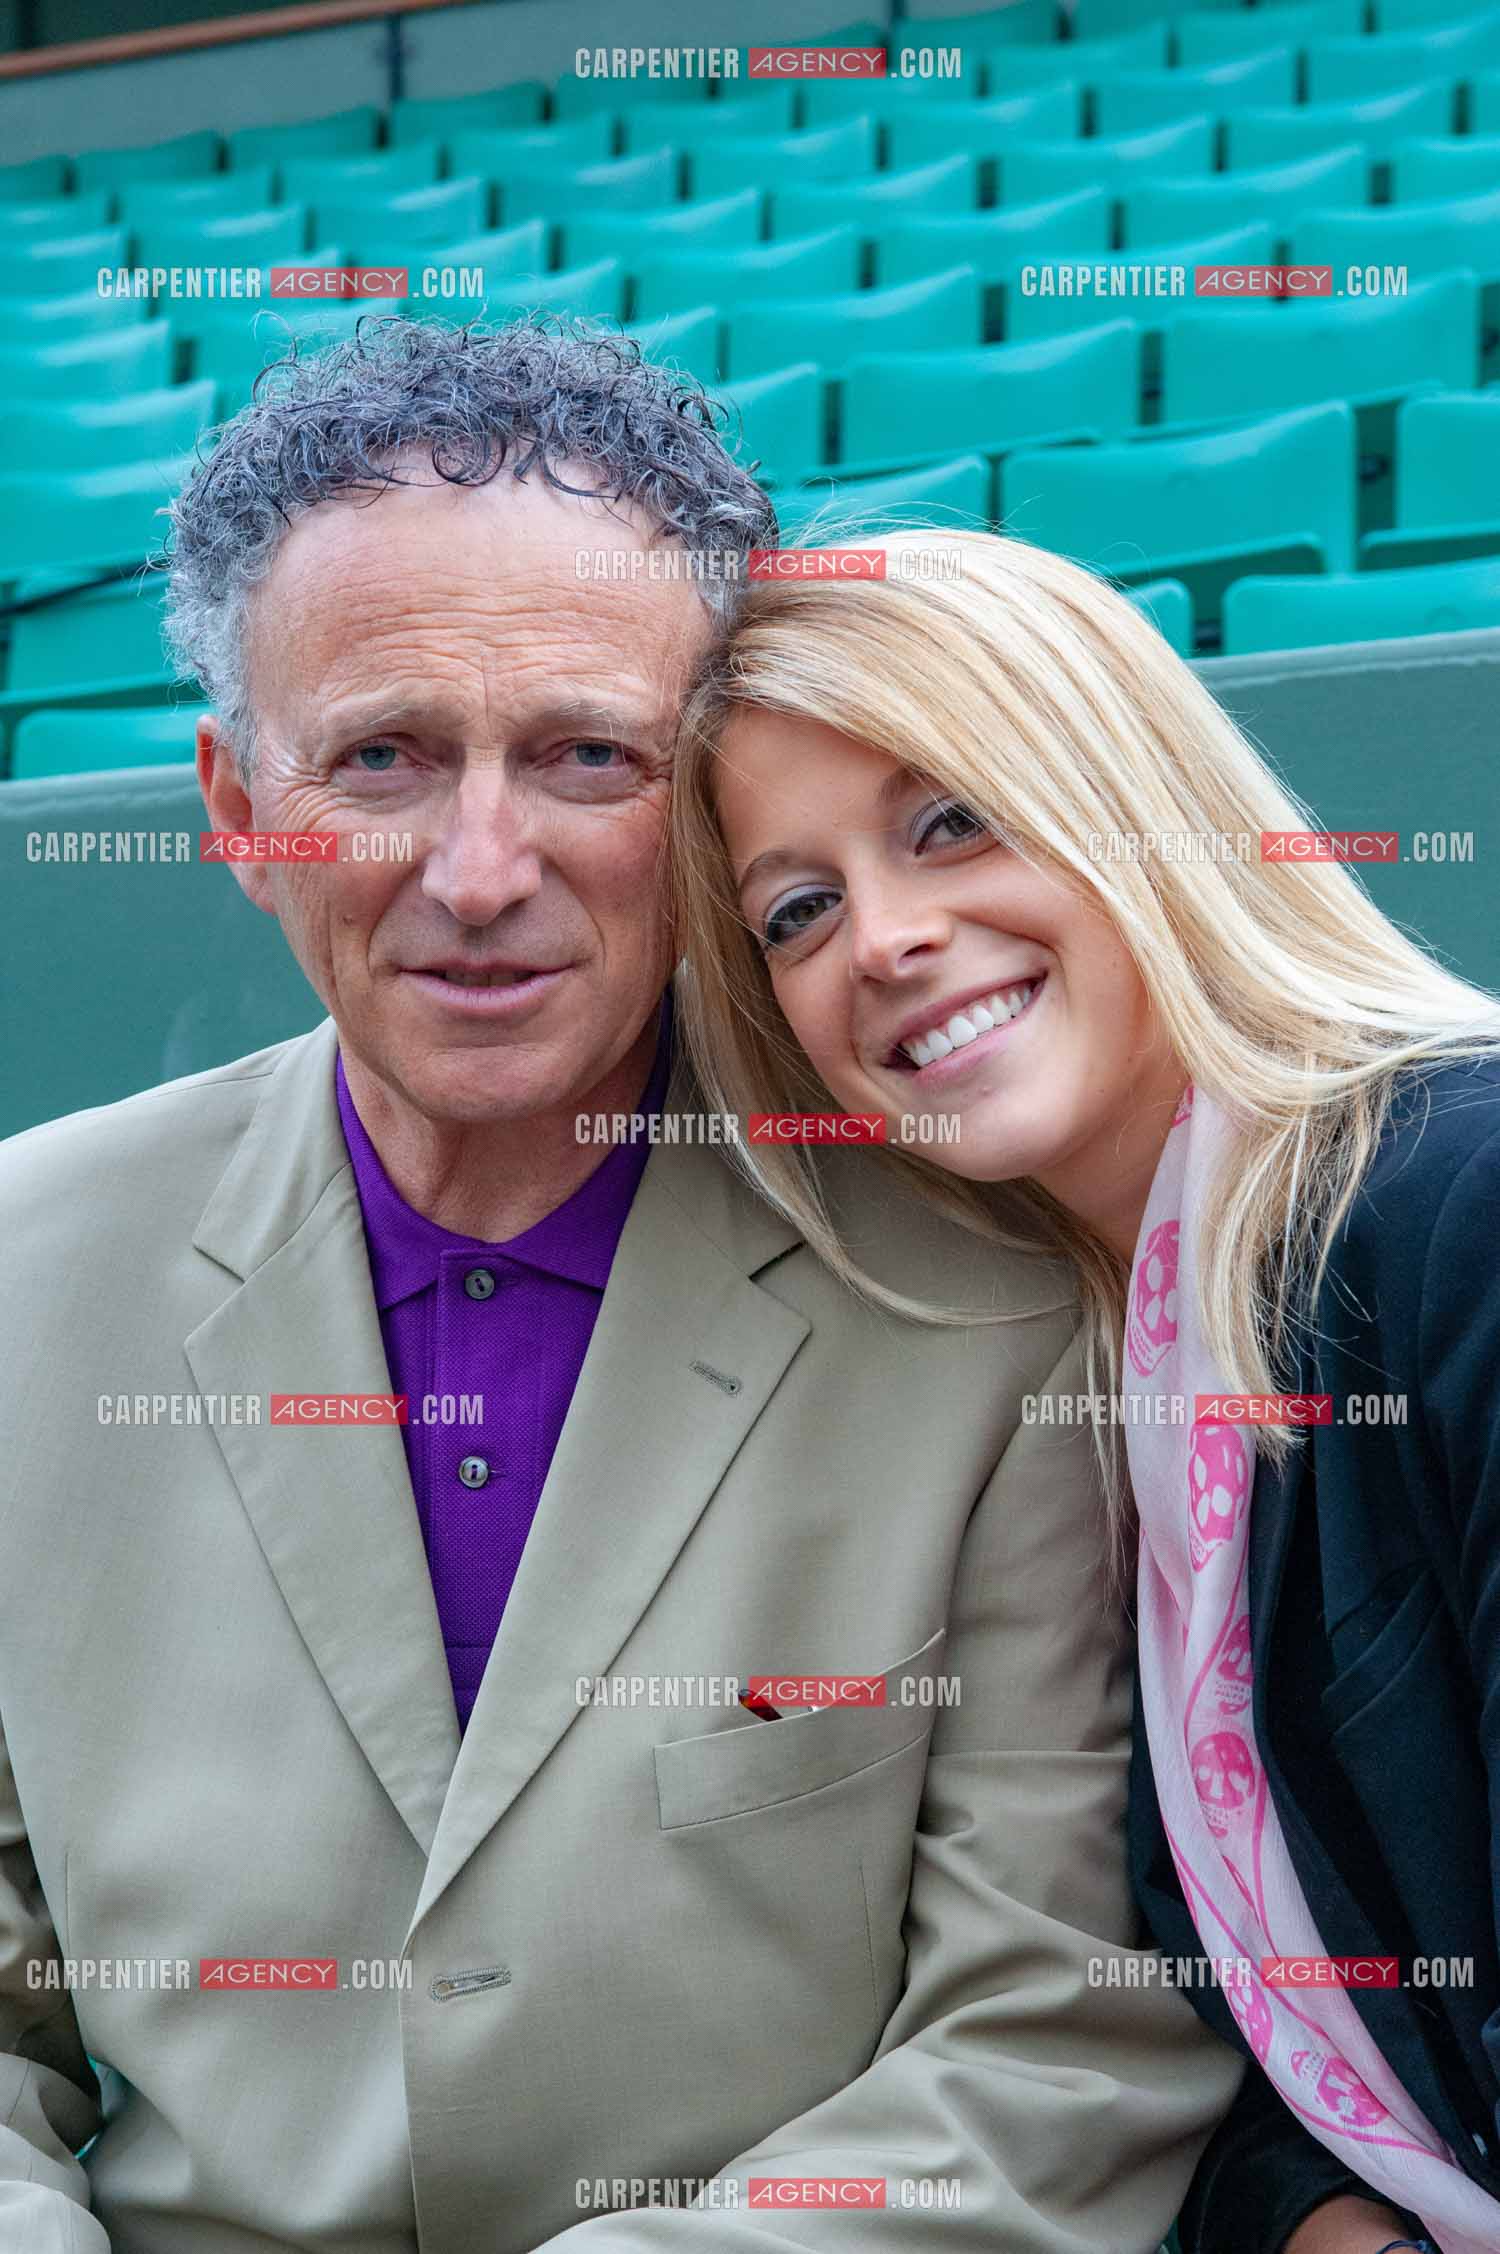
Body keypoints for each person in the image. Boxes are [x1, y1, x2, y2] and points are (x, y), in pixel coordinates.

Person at [0, 325, 1238, 2254]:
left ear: (705, 811)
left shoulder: (990, 1295)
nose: (480, 870)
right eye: (385, 757)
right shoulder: (21, 1278)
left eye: (586, 756)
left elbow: (1055, 2033)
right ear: (240, 811)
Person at [668, 526, 1500, 2254]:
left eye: (949, 817)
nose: (884, 939)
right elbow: (1245, 2054)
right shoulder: (1105, 1370)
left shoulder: (1458, 1205)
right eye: (799, 909)